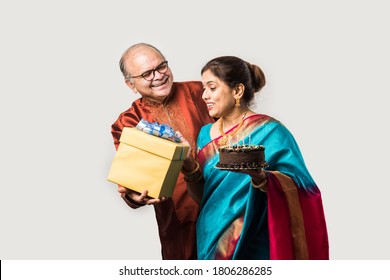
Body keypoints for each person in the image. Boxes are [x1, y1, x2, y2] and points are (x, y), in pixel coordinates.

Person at [180, 56, 329, 260]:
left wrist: (261, 178)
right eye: (203, 88)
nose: (204, 95)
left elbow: (304, 188)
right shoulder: (205, 134)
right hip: (209, 234)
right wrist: (190, 168)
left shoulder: (271, 131)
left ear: (238, 91)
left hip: (254, 237)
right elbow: (204, 197)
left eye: (212, 88)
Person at [111, 43, 215, 259]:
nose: (158, 76)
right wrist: (134, 196)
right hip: (180, 224)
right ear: (131, 84)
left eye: (161, 66)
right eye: (147, 73)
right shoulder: (128, 122)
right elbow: (132, 183)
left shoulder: (202, 91)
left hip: (228, 205)